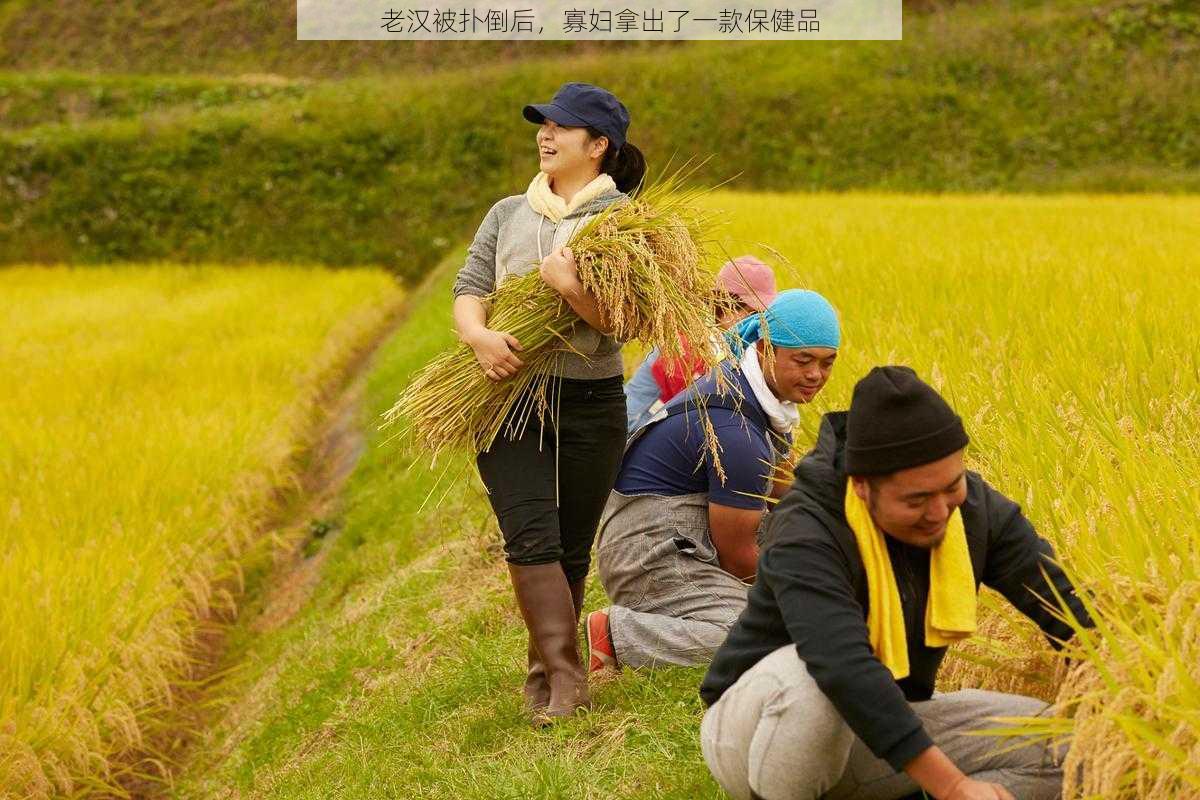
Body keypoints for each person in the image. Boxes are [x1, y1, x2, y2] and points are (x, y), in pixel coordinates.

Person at [699, 366, 1093, 800]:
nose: (941, 511)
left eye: (952, 487)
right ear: (863, 487)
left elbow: (1065, 605)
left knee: (1068, 747)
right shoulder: (807, 530)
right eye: (916, 500)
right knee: (810, 681)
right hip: (759, 733)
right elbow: (842, 667)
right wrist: (954, 785)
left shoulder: (975, 512)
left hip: (881, 724)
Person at [450, 81, 647, 724]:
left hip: (592, 399)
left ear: (597, 146)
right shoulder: (507, 213)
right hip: (507, 395)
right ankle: (569, 680)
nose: (545, 134)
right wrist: (479, 336)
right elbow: (471, 288)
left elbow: (625, 323)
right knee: (529, 532)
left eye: (561, 127)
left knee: (569, 544)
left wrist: (571, 290)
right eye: (543, 124)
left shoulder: (623, 224)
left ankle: (545, 672)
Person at [585, 289, 840, 672]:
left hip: (685, 532)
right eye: (802, 360)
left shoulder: (759, 397)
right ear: (766, 348)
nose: (815, 375)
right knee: (770, 635)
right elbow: (737, 558)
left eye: (827, 363)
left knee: (813, 530)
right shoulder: (736, 432)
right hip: (647, 553)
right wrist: (802, 599)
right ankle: (619, 634)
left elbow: (784, 490)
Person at [624, 256, 778, 433]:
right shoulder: (690, 345)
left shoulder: (734, 345)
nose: (758, 324)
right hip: (633, 434)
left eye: (762, 317)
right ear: (724, 305)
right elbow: (702, 421)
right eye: (752, 314)